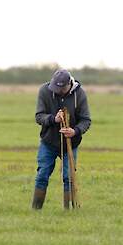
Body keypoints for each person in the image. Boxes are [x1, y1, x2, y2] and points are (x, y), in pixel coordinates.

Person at [32, 69, 91, 209]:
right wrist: (53, 119)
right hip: (49, 142)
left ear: (69, 84)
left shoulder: (80, 94)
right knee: (42, 175)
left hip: (71, 143)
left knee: (68, 178)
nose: (57, 90)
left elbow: (86, 120)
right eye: (55, 87)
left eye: (61, 88)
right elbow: (39, 116)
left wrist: (75, 131)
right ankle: (35, 210)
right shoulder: (44, 91)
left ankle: (68, 211)